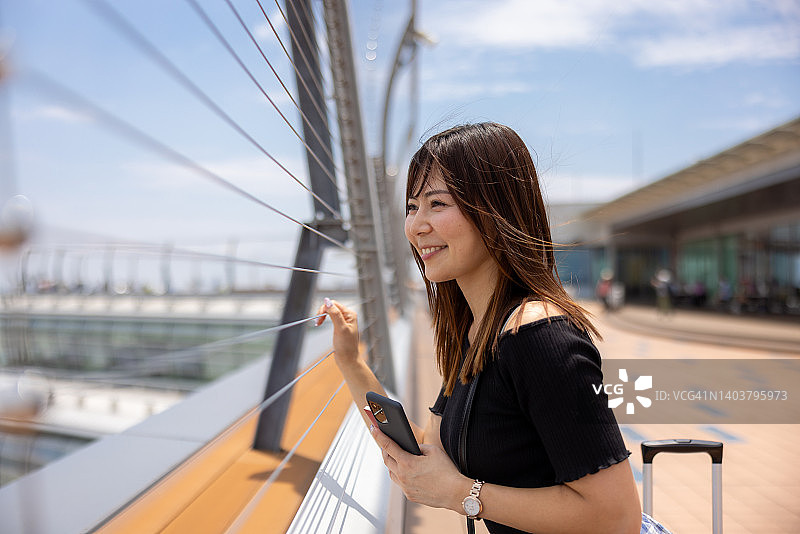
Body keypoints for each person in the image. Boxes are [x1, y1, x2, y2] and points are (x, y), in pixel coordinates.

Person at [317, 123, 666, 533]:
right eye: (412, 207)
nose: (416, 226)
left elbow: (616, 519)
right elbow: (428, 452)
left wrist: (462, 494)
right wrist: (351, 362)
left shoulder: (540, 337)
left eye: (437, 204)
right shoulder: (479, 332)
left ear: (494, 210)